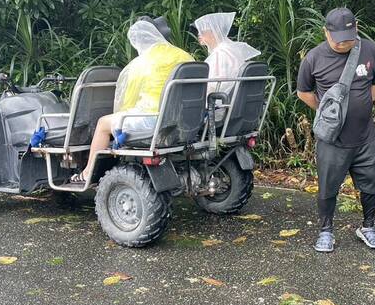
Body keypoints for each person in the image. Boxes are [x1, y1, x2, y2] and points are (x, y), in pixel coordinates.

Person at [297, 7, 375, 253]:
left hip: (364, 136)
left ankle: (368, 226)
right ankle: (326, 230)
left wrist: (363, 104)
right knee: (328, 188)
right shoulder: (314, 57)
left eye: (347, 39)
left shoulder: (369, 50)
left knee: (371, 185)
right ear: (326, 32)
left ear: (356, 28)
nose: (342, 44)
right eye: (337, 39)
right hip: (332, 139)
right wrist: (328, 113)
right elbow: (303, 92)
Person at [70, 19, 193, 184]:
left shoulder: (141, 64)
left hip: (153, 121)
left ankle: (87, 173)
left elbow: (126, 103)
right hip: (184, 120)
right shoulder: (184, 55)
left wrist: (119, 118)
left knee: (103, 123)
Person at [193, 12, 260, 108]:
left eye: (202, 31)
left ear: (213, 32)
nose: (199, 34)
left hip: (219, 105)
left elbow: (216, 85)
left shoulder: (221, 53)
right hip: (235, 103)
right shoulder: (231, 49)